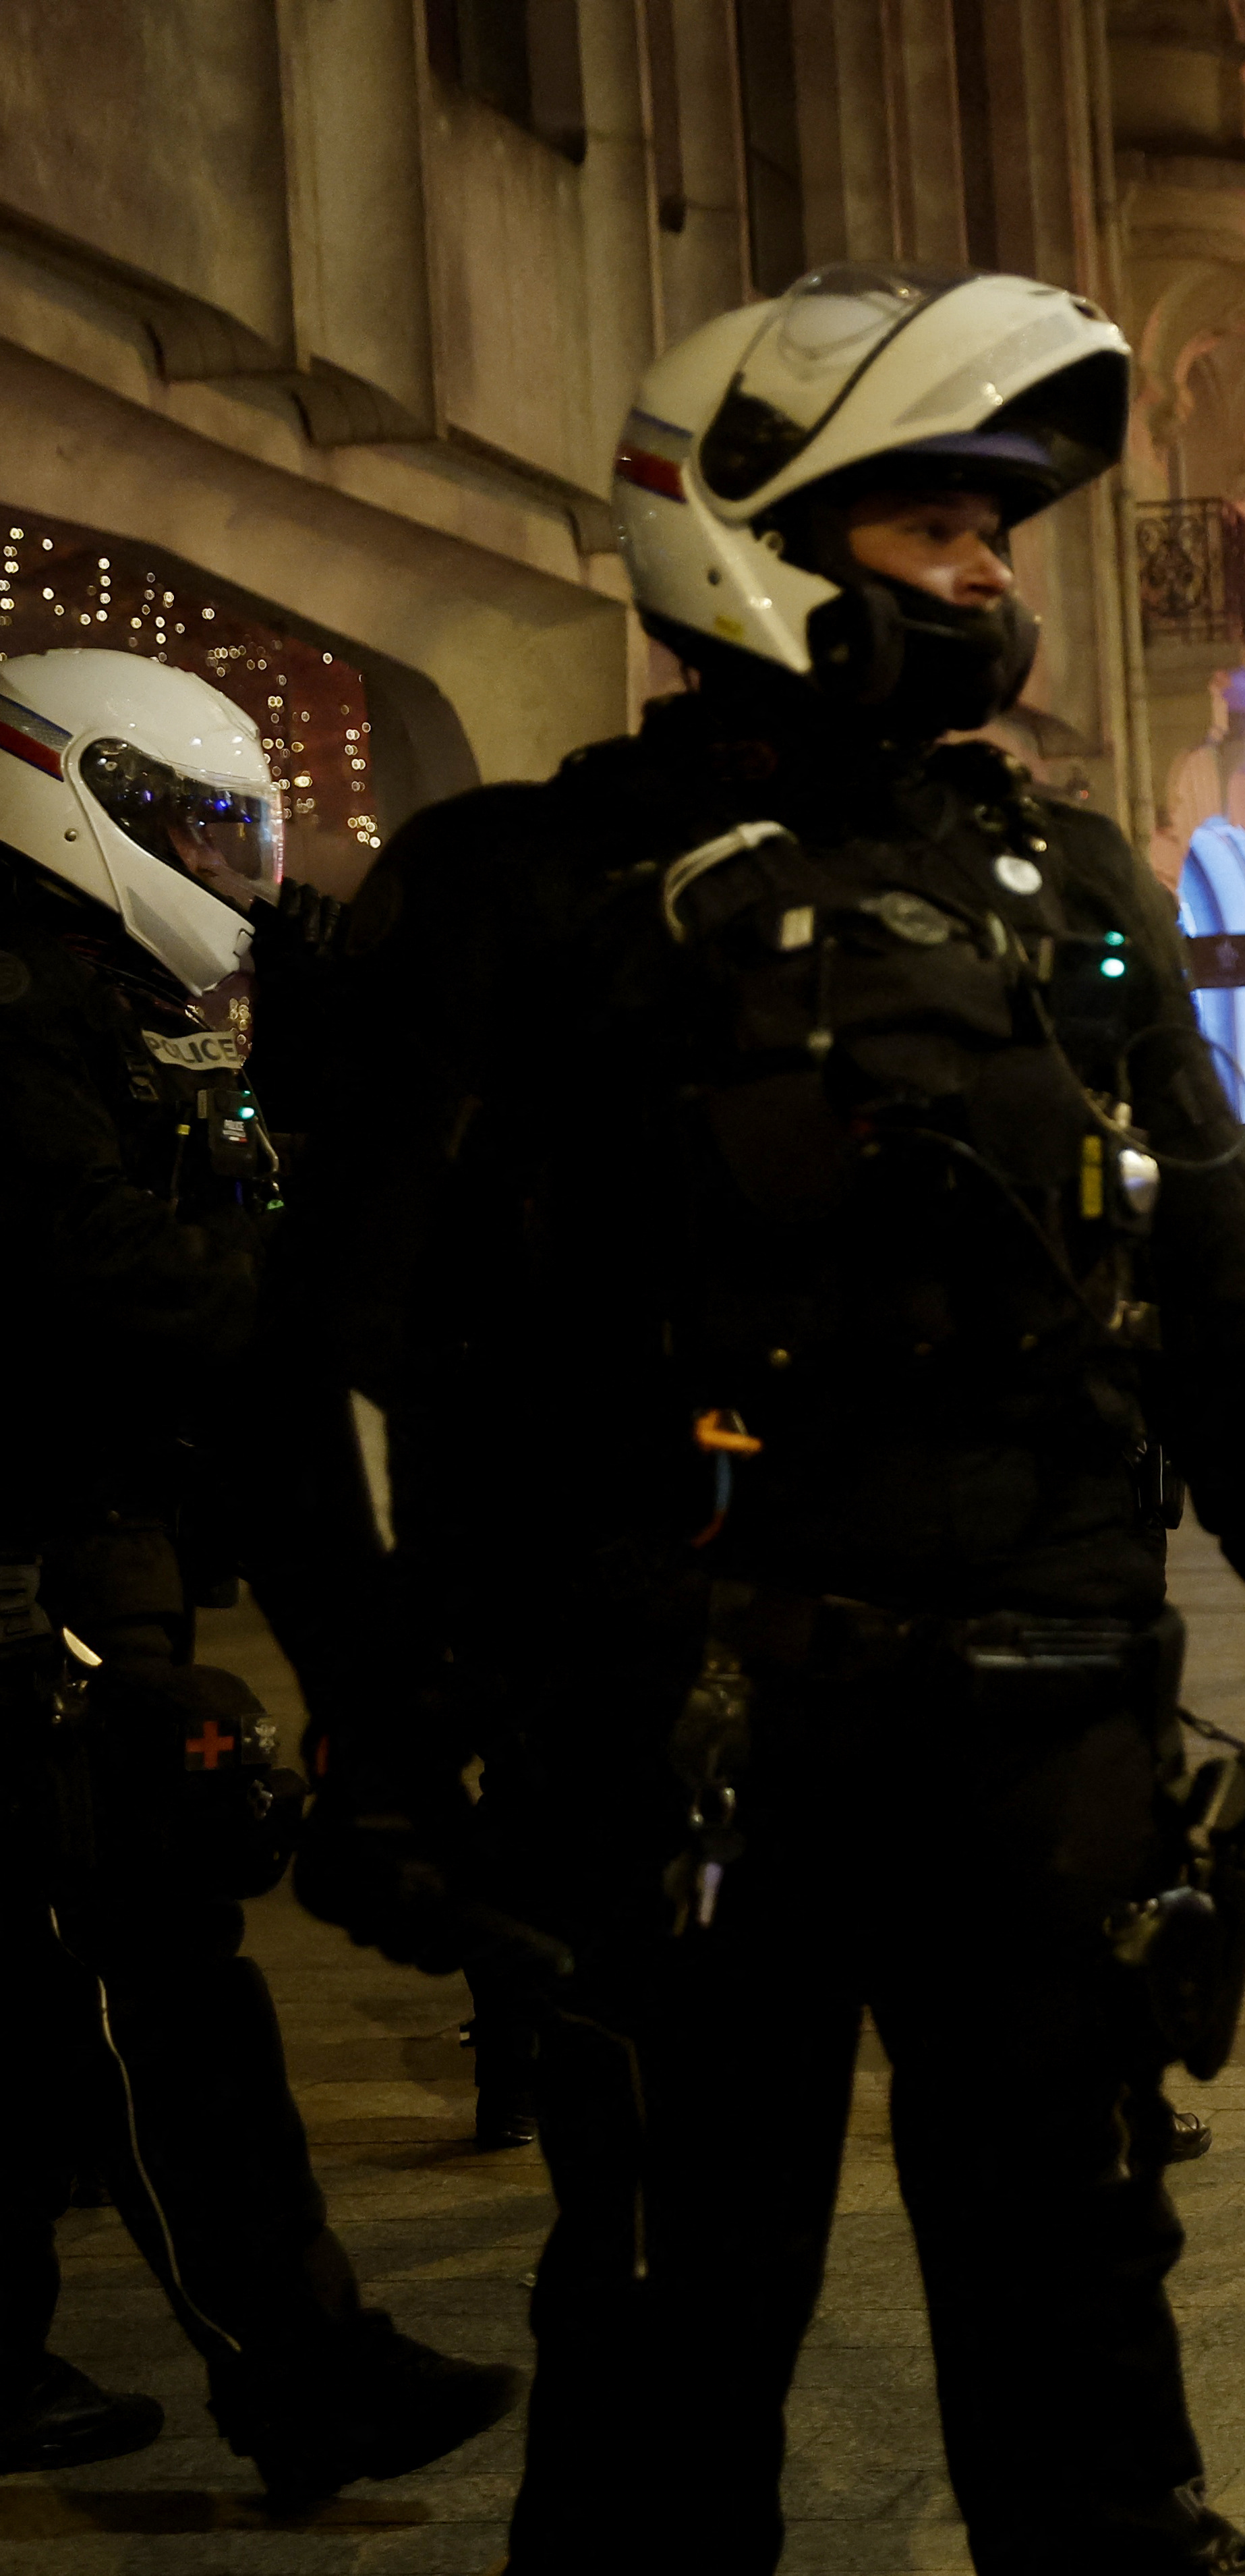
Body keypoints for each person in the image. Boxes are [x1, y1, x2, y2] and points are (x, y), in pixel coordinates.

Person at [289, 267, 1245, 2575]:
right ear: (754, 542)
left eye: (995, 531)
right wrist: (393, 1740)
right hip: (691, 1742)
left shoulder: (1065, 886)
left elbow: (1226, 1286)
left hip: (1046, 1738)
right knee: (665, 2334)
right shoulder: (524, 890)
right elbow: (347, 1351)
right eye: (934, 525)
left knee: (1087, 2315)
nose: (992, 578)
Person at [0, 649, 521, 2496]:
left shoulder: (116, 991)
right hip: (35, 1553)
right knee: (156, 1968)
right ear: (74, 790)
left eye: (237, 829)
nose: (223, 863)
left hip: (94, 1533)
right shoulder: (20, 1008)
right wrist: (364, 1335)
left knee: (79, 1970)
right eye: (194, 825)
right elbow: (118, 1269)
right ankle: (299, 2372)